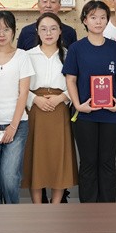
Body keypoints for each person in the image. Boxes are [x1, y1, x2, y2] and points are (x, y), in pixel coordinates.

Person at [63, 0, 116, 202]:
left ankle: (108, 209)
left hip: (112, 116)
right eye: (93, 17)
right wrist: (77, 105)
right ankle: (88, 210)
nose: (98, 21)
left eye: (102, 17)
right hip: (85, 115)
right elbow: (70, 80)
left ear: (107, 21)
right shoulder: (76, 48)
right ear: (85, 20)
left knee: (107, 162)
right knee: (88, 162)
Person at [22, 13, 78, 204]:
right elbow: (19, 84)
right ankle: (37, 206)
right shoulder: (27, 55)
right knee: (36, 156)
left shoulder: (69, 54)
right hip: (35, 110)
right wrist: (34, 99)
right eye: (44, 29)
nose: (48, 33)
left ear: (60, 31)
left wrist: (61, 98)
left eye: (53, 28)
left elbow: (77, 83)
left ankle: (55, 206)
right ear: (37, 32)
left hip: (59, 109)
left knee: (58, 156)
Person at [0, 11, 34, 204]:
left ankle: (12, 216)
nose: (1, 34)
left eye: (6, 29)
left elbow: (23, 94)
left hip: (17, 124)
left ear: (14, 31)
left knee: (10, 177)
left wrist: (13, 126)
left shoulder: (22, 56)